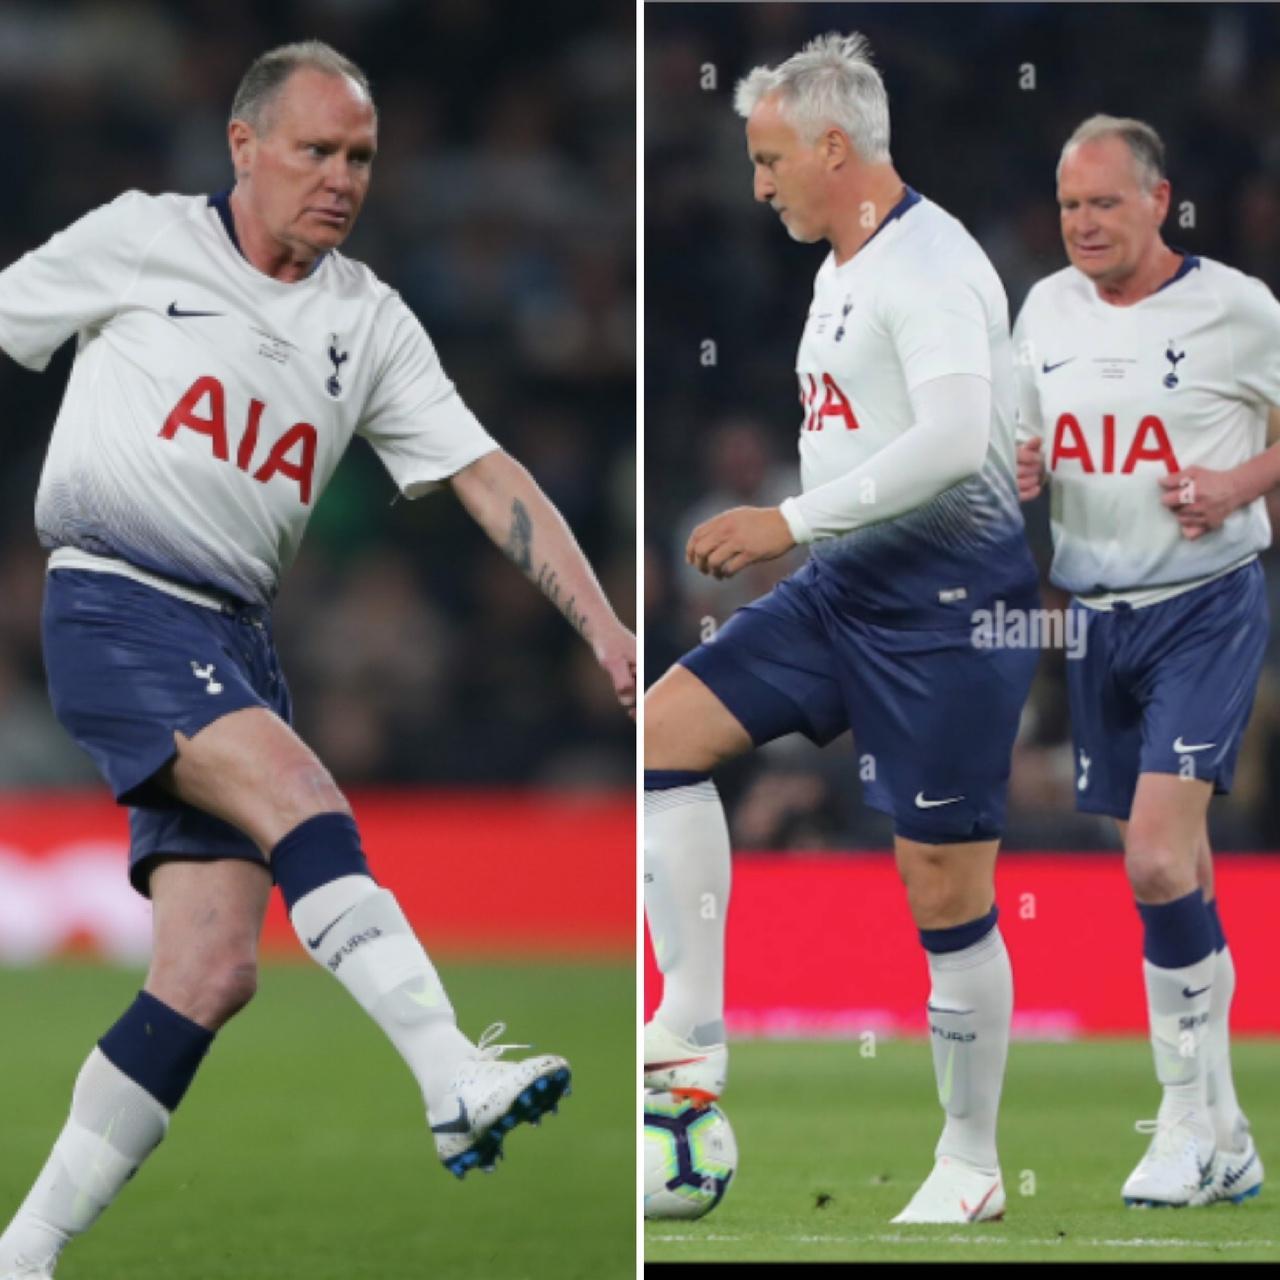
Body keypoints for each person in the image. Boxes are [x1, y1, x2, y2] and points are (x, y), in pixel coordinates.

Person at [0, 40, 636, 1280]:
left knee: (210, 969)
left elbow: (485, 473)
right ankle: (452, 1074)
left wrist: (605, 625)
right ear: (243, 147)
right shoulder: (142, 238)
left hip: (233, 635)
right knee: (305, 799)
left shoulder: (369, 320)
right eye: (316, 150)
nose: (340, 179)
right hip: (115, 601)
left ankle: (21, 1252)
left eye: (359, 158)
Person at [642, 32, 1039, 1225]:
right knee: (665, 725)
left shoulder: (925, 262)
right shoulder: (849, 258)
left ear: (832, 147)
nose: (756, 184)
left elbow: (948, 441)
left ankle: (968, 1161)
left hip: (947, 611)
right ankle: (692, 1017)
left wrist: (787, 517)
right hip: (845, 590)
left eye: (768, 159)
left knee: (942, 888)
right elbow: (977, 407)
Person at [1013, 114, 1270, 1208]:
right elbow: (1023, 437)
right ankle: (1227, 1130)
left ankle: (1174, 1120)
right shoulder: (1042, 308)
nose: (1081, 223)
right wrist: (1019, 462)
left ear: (1157, 202)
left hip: (1203, 605)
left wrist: (1237, 483)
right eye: (1069, 205)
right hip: (1094, 619)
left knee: (1157, 861)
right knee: (1176, 866)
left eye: (1103, 203)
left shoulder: (1237, 308)